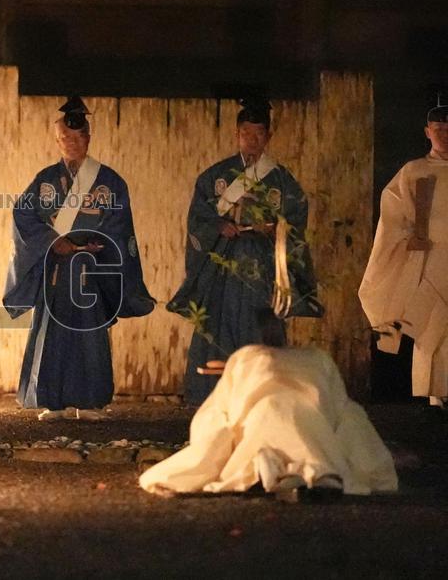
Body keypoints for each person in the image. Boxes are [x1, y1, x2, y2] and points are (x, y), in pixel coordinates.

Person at [3, 96, 154, 420]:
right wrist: (51, 243)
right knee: (51, 333)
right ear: (57, 140)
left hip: (92, 270)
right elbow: (22, 217)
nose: (71, 143)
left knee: (89, 333)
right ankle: (53, 402)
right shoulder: (44, 180)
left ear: (88, 137)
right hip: (56, 270)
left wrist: (93, 244)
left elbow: (119, 224)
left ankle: (89, 402)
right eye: (64, 139)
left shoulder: (110, 181)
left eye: (77, 137)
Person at [139, 311, 398, 499]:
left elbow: (218, 415)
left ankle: (269, 469)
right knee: (314, 446)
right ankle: (319, 471)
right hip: (311, 422)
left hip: (261, 421)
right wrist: (369, 461)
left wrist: (202, 458)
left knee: (259, 446)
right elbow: (344, 410)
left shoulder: (245, 358)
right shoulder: (315, 357)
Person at [167, 98, 322, 406]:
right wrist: (218, 226)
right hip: (223, 267)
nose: (252, 140)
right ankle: (213, 397)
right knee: (219, 326)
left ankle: (263, 397)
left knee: (261, 327)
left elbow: (295, 221)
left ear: (268, 136)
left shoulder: (282, 180)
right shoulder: (216, 177)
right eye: (246, 133)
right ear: (237, 134)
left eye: (259, 133)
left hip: (263, 268)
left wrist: (275, 229)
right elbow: (198, 218)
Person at [359, 101, 448, 412]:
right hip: (429, 261)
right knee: (430, 324)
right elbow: (393, 214)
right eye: (438, 130)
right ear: (427, 133)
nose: (444, 135)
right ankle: (435, 396)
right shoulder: (414, 171)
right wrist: (409, 235)